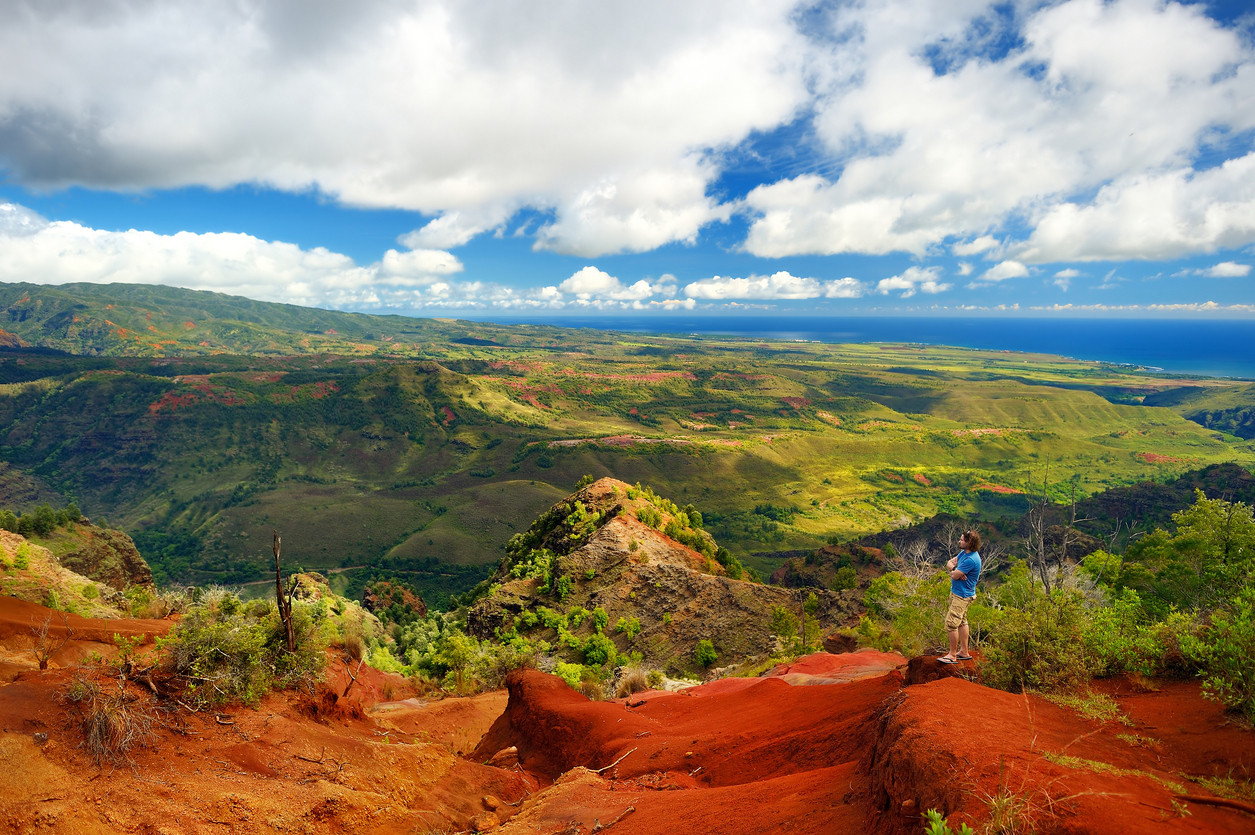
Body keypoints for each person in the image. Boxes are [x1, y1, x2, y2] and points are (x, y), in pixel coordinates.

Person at [939, 530, 982, 664]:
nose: (959, 541)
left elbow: (953, 575)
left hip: (962, 596)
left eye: (962, 540)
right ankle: (964, 651)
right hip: (958, 592)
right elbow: (949, 563)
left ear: (969, 543)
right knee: (962, 620)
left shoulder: (970, 559)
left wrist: (954, 572)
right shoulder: (964, 553)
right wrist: (954, 569)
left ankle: (952, 655)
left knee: (951, 623)